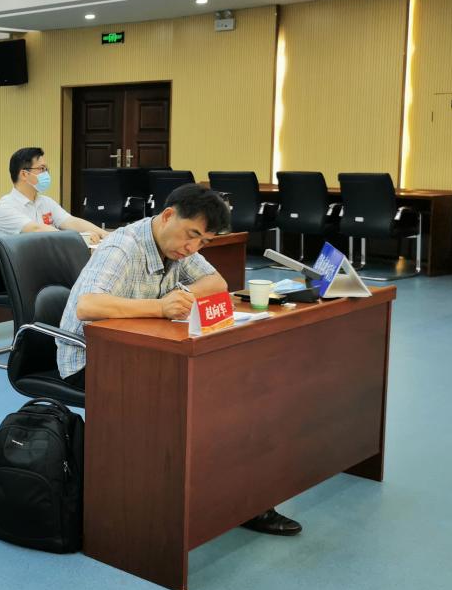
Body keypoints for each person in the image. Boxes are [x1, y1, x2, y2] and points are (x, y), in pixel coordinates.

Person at [55, 182, 302, 536]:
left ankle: (246, 500)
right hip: (91, 360)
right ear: (168, 216)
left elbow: (216, 283)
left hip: (143, 353)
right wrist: (160, 307)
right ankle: (185, 505)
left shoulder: (178, 247)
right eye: (192, 236)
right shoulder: (123, 246)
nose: (192, 248)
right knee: (204, 400)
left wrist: (180, 293)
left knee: (239, 389)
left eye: (203, 242)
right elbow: (88, 305)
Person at [0, 146, 111, 241]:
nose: (46, 174)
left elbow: (70, 221)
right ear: (24, 174)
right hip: (24, 262)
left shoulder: (45, 202)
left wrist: (104, 234)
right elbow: (36, 230)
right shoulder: (6, 206)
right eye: (41, 169)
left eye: (46, 169)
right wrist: (80, 238)